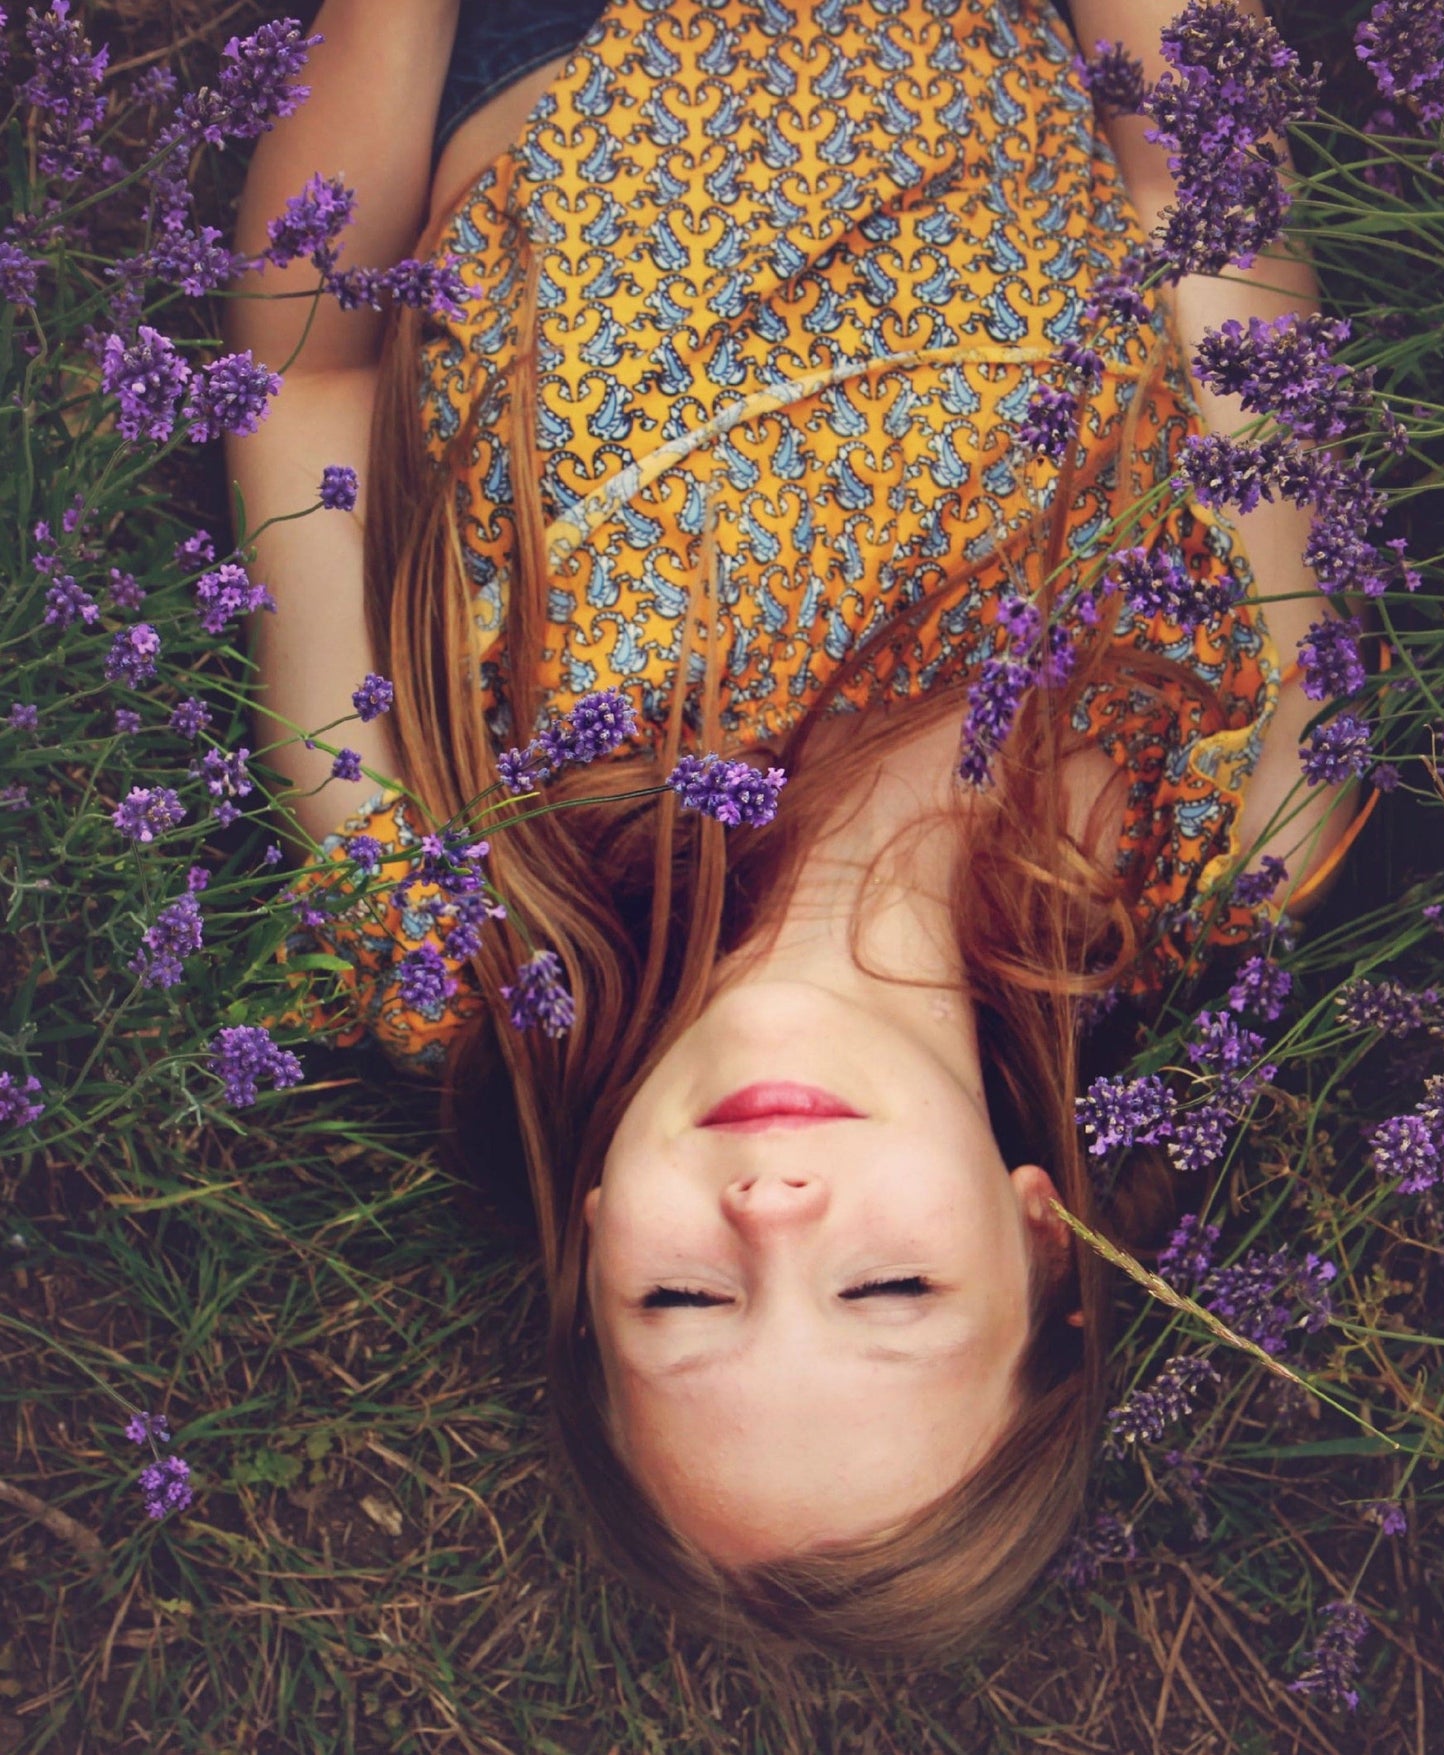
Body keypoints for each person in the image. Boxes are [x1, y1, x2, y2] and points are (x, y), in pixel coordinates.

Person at [226, 0, 1373, 1664]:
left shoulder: (450, 926)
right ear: (1041, 1237)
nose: (773, 1213)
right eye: (887, 1294)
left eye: (684, 1305)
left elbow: (299, 384)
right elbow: (1216, 232)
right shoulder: (1228, 826)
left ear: (594, 1255)